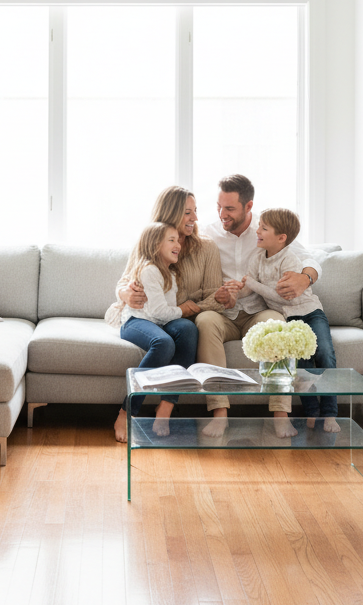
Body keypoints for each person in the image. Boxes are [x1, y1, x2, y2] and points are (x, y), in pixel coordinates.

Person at [234, 208, 339, 436]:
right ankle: (312, 412)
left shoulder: (289, 257)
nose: (257, 231)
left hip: (310, 313)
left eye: (263, 228)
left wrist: (251, 283)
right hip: (288, 320)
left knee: (325, 355)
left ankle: (330, 412)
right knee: (301, 365)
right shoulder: (257, 258)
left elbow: (282, 295)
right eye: (259, 225)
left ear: (281, 238)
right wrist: (236, 290)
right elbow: (249, 289)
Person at [112, 222, 199, 443]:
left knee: (188, 329)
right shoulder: (149, 269)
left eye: (178, 240)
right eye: (171, 240)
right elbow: (161, 312)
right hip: (135, 321)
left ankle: (166, 407)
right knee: (164, 343)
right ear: (154, 246)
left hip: (157, 321)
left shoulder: (168, 272)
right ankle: (127, 410)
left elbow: (162, 314)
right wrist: (184, 308)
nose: (178, 244)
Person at [106, 186, 228, 328]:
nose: (195, 218)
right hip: (146, 318)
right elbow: (124, 281)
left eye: (195, 211)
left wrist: (185, 310)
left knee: (185, 330)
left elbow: (215, 297)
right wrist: (125, 293)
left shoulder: (207, 247)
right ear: (171, 214)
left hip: (182, 322)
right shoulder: (146, 242)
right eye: (188, 212)